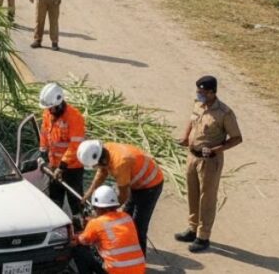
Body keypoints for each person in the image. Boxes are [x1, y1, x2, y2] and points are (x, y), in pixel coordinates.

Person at [175, 75, 242, 253]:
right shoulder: (198, 104)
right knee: (192, 193)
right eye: (198, 91)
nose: (199, 94)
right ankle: (192, 228)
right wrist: (185, 136)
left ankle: (203, 236)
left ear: (213, 92)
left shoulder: (224, 113)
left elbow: (236, 138)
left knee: (207, 198)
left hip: (210, 161)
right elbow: (191, 121)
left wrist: (217, 149)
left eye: (203, 92)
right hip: (192, 156)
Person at [79, 139, 164, 256]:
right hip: (136, 183)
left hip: (150, 186)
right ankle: (127, 248)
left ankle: (139, 257)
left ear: (102, 160)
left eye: (96, 165)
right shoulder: (105, 151)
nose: (96, 167)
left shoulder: (120, 163)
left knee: (138, 226)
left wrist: (106, 212)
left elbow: (123, 195)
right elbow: (102, 172)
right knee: (124, 220)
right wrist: (89, 193)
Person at [73, 185, 147, 274]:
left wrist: (75, 236)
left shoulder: (95, 223)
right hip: (139, 270)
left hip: (115, 271)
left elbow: (82, 240)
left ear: (98, 207)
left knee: (79, 250)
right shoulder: (127, 217)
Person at [38, 83, 86, 219]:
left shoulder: (74, 117)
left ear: (59, 103)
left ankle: (79, 226)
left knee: (75, 201)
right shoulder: (48, 113)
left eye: (51, 107)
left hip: (72, 168)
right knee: (54, 199)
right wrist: (43, 150)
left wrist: (62, 166)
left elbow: (75, 145)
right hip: (54, 165)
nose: (49, 110)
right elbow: (44, 132)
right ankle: (56, 224)